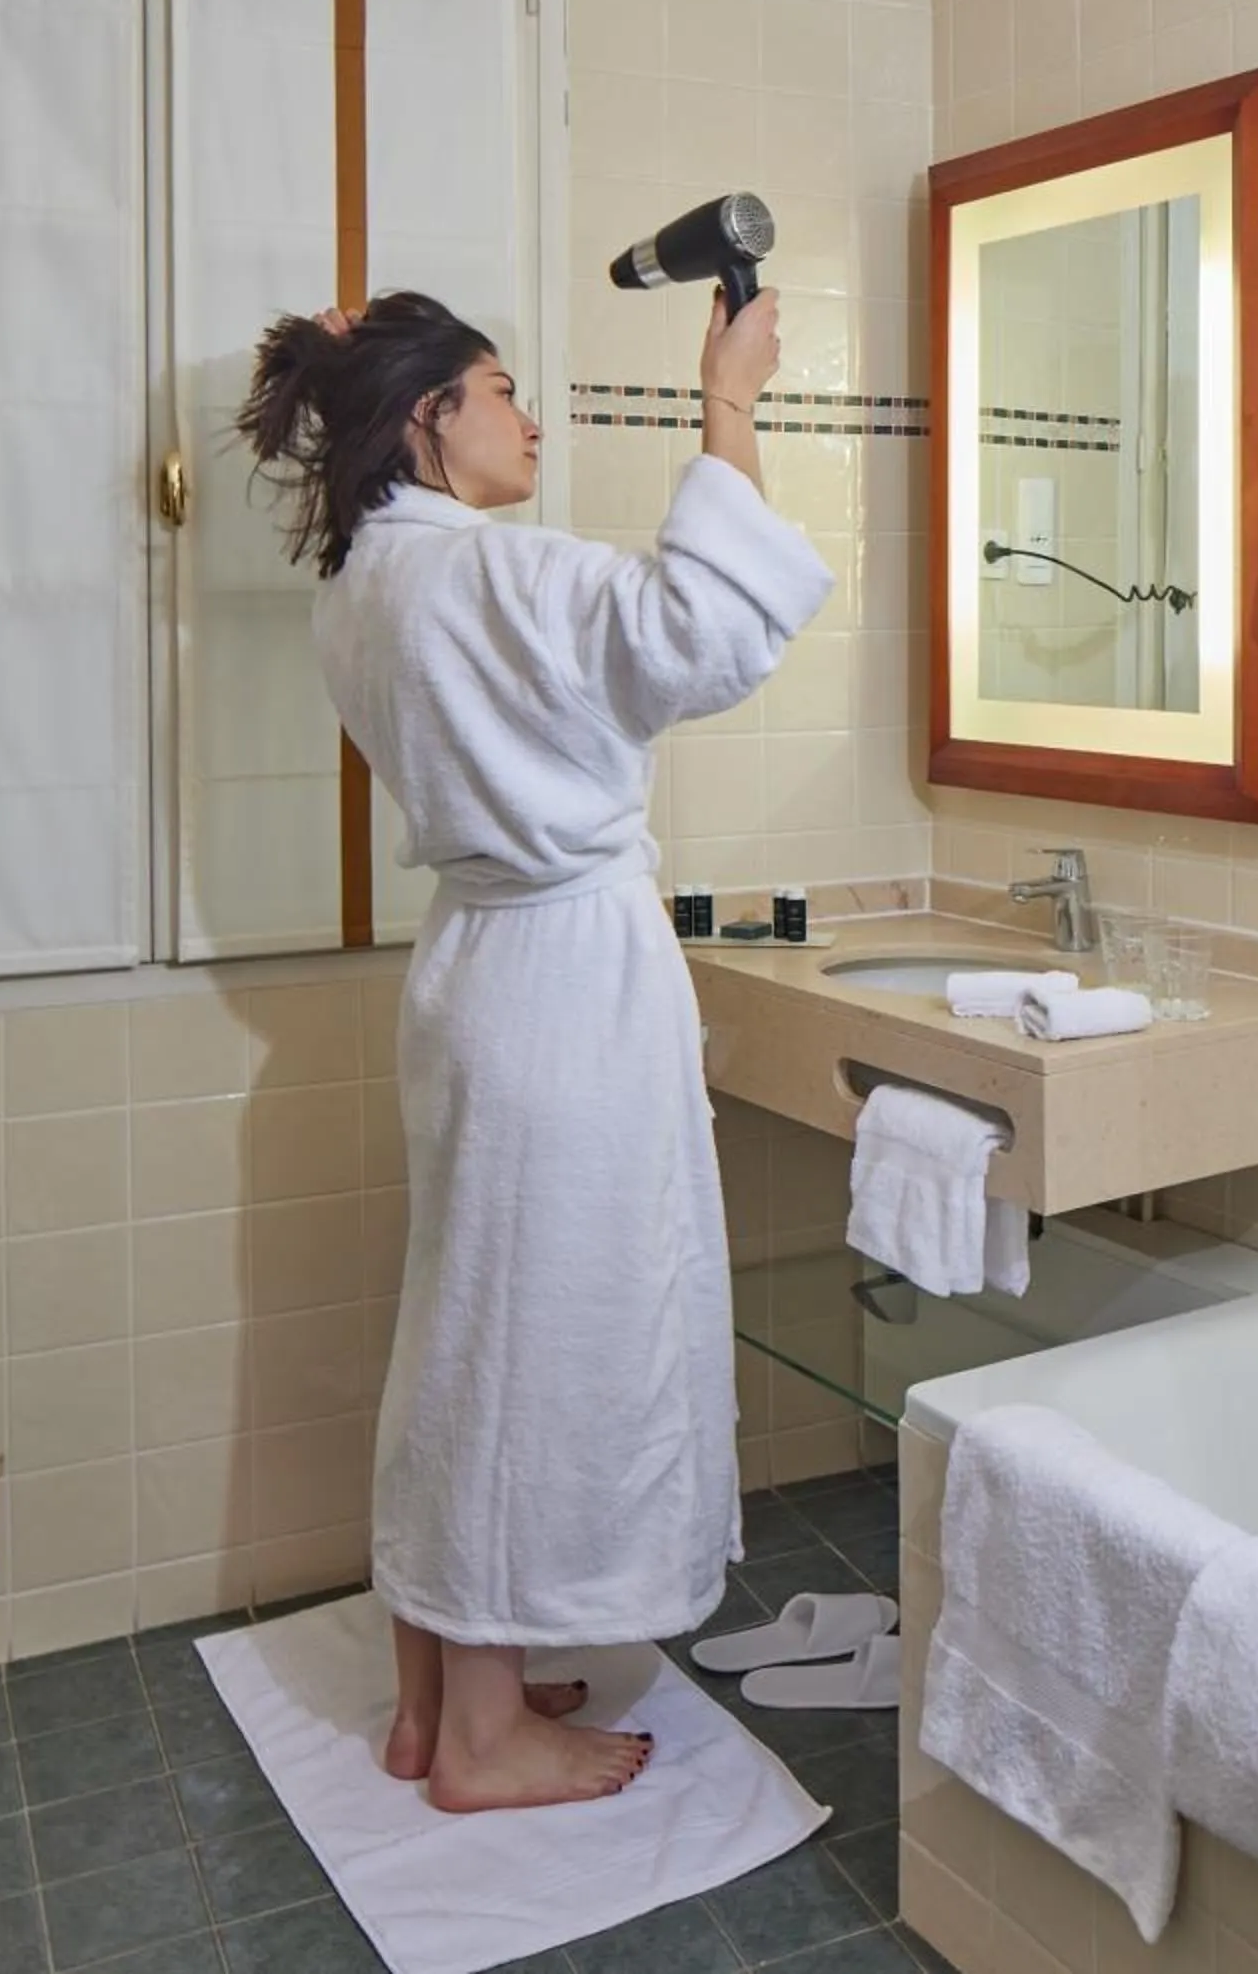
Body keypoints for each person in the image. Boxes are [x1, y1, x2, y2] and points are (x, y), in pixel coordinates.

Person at [234, 284, 832, 1811]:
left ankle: (444, 1690)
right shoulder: (494, 580)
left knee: (464, 1331)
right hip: (563, 984)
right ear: (430, 418)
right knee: (529, 1349)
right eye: (502, 388)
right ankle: (488, 1738)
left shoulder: (366, 589)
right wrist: (730, 404)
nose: (531, 416)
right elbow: (706, 631)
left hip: (476, 974)